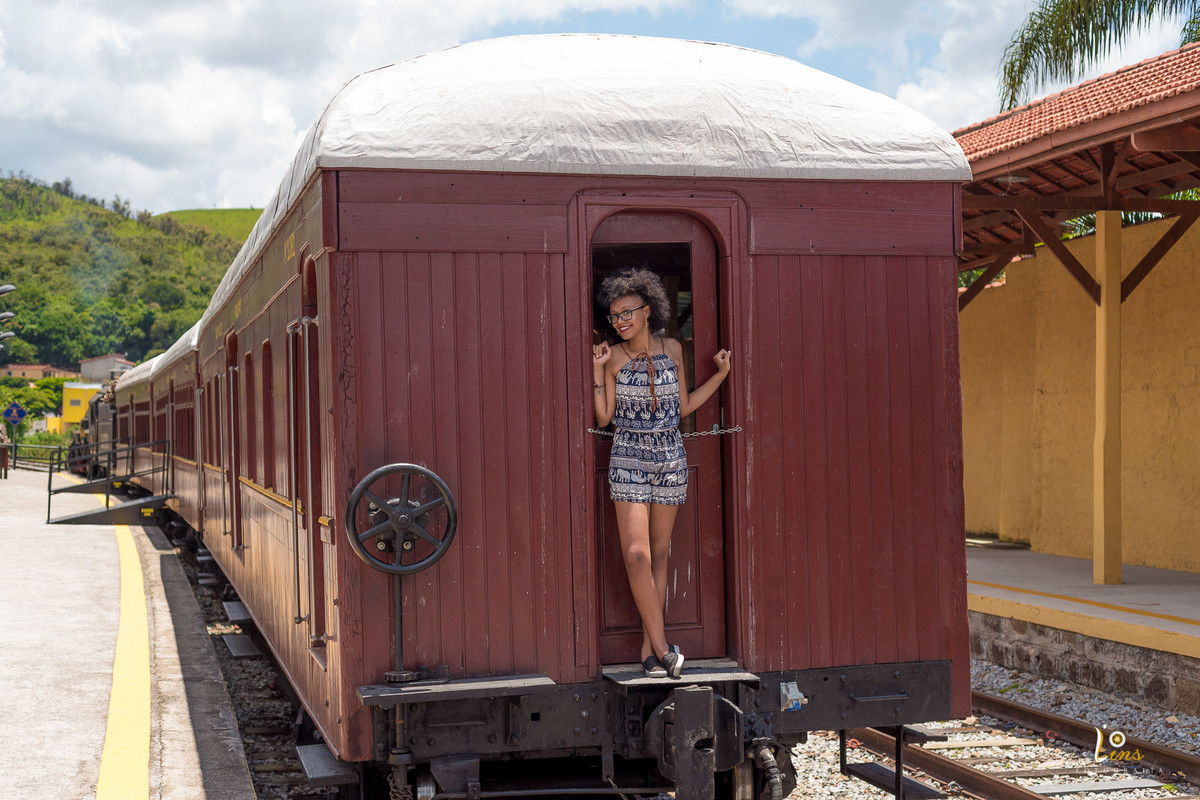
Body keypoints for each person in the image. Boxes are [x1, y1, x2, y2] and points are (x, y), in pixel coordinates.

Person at [592, 268, 731, 678]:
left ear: (647, 310)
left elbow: (683, 406)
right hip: (628, 455)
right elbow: (604, 417)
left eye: (627, 312)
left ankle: (648, 653)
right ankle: (665, 648)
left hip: (670, 456)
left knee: (659, 553)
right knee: (637, 554)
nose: (620, 321)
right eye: (615, 315)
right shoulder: (614, 356)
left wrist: (720, 376)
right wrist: (598, 371)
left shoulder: (671, 348)